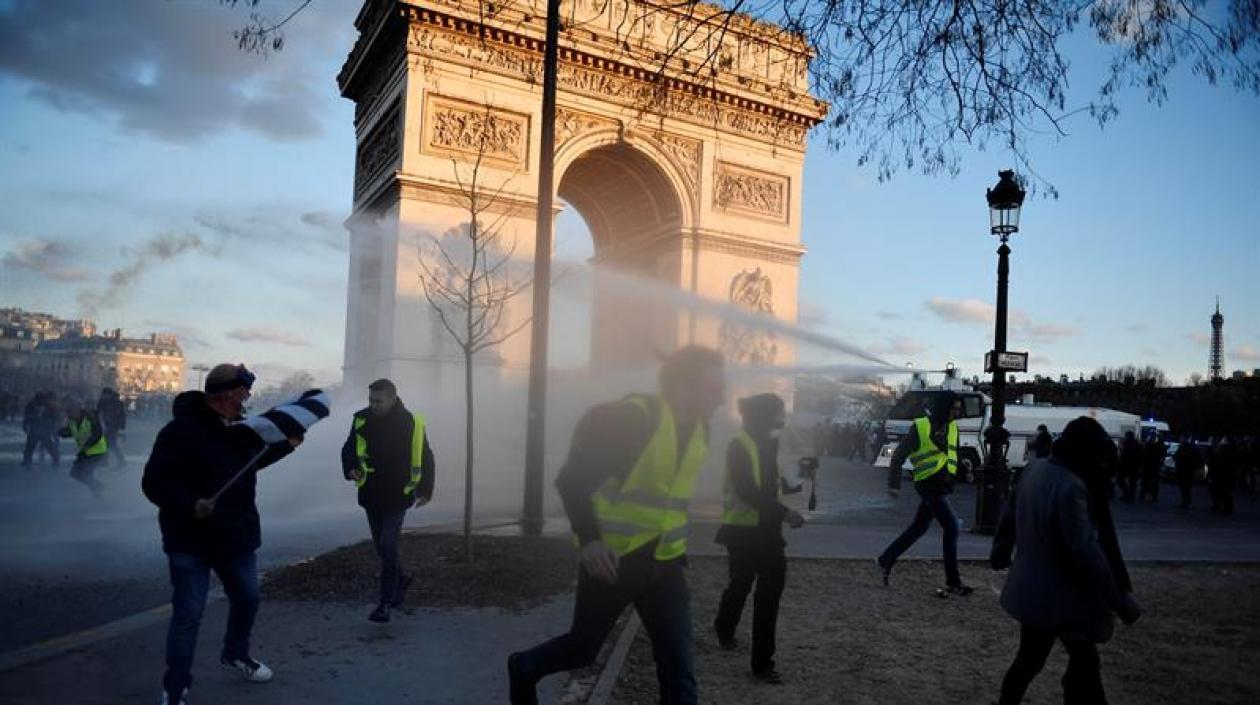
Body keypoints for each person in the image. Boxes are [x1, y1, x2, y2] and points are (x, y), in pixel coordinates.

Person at [507, 346, 726, 705]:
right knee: (582, 649)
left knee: (679, 668)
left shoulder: (701, 430)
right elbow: (571, 481)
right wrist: (591, 540)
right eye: (713, 389)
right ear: (684, 387)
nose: (722, 398)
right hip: (615, 560)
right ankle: (524, 667)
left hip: (666, 564)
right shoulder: (633, 421)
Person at [142, 363, 302, 705]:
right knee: (188, 614)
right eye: (244, 393)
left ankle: (235, 653)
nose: (248, 398)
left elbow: (251, 461)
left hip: (235, 538)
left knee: (248, 598)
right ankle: (175, 686)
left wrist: (286, 445)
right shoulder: (179, 432)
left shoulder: (240, 429)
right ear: (228, 395)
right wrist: (190, 503)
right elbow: (154, 482)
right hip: (189, 541)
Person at [990, 416, 1141, 705]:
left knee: (1029, 661)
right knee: (1083, 664)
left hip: (1032, 588)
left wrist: (999, 550)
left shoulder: (1034, 469)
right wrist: (1120, 602)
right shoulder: (1072, 487)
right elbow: (1086, 551)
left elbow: (1009, 516)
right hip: (1065, 596)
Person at [712, 393, 805, 685]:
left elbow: (771, 486)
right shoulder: (740, 445)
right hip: (742, 533)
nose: (784, 418)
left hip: (768, 534)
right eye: (779, 412)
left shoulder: (769, 443)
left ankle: (762, 663)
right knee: (739, 586)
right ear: (765, 415)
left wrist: (802, 477)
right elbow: (747, 490)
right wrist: (785, 513)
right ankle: (724, 629)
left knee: (768, 598)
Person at [340, 378, 435, 623]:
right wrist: (350, 469)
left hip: (398, 494)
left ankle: (384, 604)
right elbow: (349, 448)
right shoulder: (361, 419)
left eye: (378, 401)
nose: (373, 405)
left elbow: (426, 456)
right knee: (382, 548)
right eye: (371, 400)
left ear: (393, 399)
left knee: (388, 545)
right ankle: (401, 577)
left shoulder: (411, 422)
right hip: (371, 493)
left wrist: (425, 489)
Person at [876, 394, 973, 596]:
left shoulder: (953, 427)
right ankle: (953, 582)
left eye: (958, 409)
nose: (957, 413)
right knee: (952, 527)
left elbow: (951, 453)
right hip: (928, 484)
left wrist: (965, 470)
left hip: (943, 485)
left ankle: (885, 559)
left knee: (918, 528)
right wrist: (894, 484)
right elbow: (898, 456)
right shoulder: (921, 427)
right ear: (943, 408)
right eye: (954, 409)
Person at [59, 398, 107, 497]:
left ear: (78, 410)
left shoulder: (90, 418)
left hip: (97, 451)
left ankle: (98, 490)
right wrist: (60, 430)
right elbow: (69, 432)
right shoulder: (72, 421)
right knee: (75, 473)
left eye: (72, 411)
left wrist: (88, 444)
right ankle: (98, 487)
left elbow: (98, 433)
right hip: (86, 451)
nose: (70, 414)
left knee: (85, 473)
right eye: (69, 412)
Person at [21, 391, 60, 469]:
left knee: (44, 446)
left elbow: (54, 417)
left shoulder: (47, 406)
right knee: (31, 446)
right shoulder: (32, 405)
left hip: (42, 429)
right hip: (37, 429)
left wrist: (53, 427)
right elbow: (27, 416)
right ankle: (27, 461)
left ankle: (27, 461)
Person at [97, 387, 128, 468]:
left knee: (110, 444)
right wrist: (122, 426)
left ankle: (120, 461)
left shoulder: (104, 401)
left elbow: (99, 412)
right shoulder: (117, 401)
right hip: (112, 425)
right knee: (107, 443)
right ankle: (107, 461)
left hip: (109, 425)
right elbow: (122, 415)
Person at [1210, 437, 1239, 516]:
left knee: (1224, 493)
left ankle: (1226, 508)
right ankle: (1225, 507)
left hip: (1224, 475)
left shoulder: (1225, 450)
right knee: (1224, 492)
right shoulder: (1228, 449)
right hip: (1224, 474)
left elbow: (1219, 461)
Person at [1173, 437, 1203, 509]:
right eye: (1181, 439)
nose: (1181, 440)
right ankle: (1185, 502)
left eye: (1183, 438)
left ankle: (1186, 502)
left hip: (1187, 471)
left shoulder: (1190, 448)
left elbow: (1196, 459)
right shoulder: (1181, 447)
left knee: (1186, 487)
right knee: (1183, 487)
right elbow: (1176, 456)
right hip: (1181, 470)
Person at [1140, 435, 1165, 503]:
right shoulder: (1153, 446)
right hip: (1151, 467)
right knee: (1149, 482)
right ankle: (1149, 496)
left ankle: (1149, 496)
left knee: (1150, 483)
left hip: (1152, 467)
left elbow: (1145, 456)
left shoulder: (1153, 446)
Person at [1118, 431, 1141, 502]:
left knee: (1120, 480)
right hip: (1134, 466)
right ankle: (1131, 496)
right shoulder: (1137, 444)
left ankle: (1127, 494)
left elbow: (1123, 455)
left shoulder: (1126, 443)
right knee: (1132, 483)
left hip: (1127, 465)